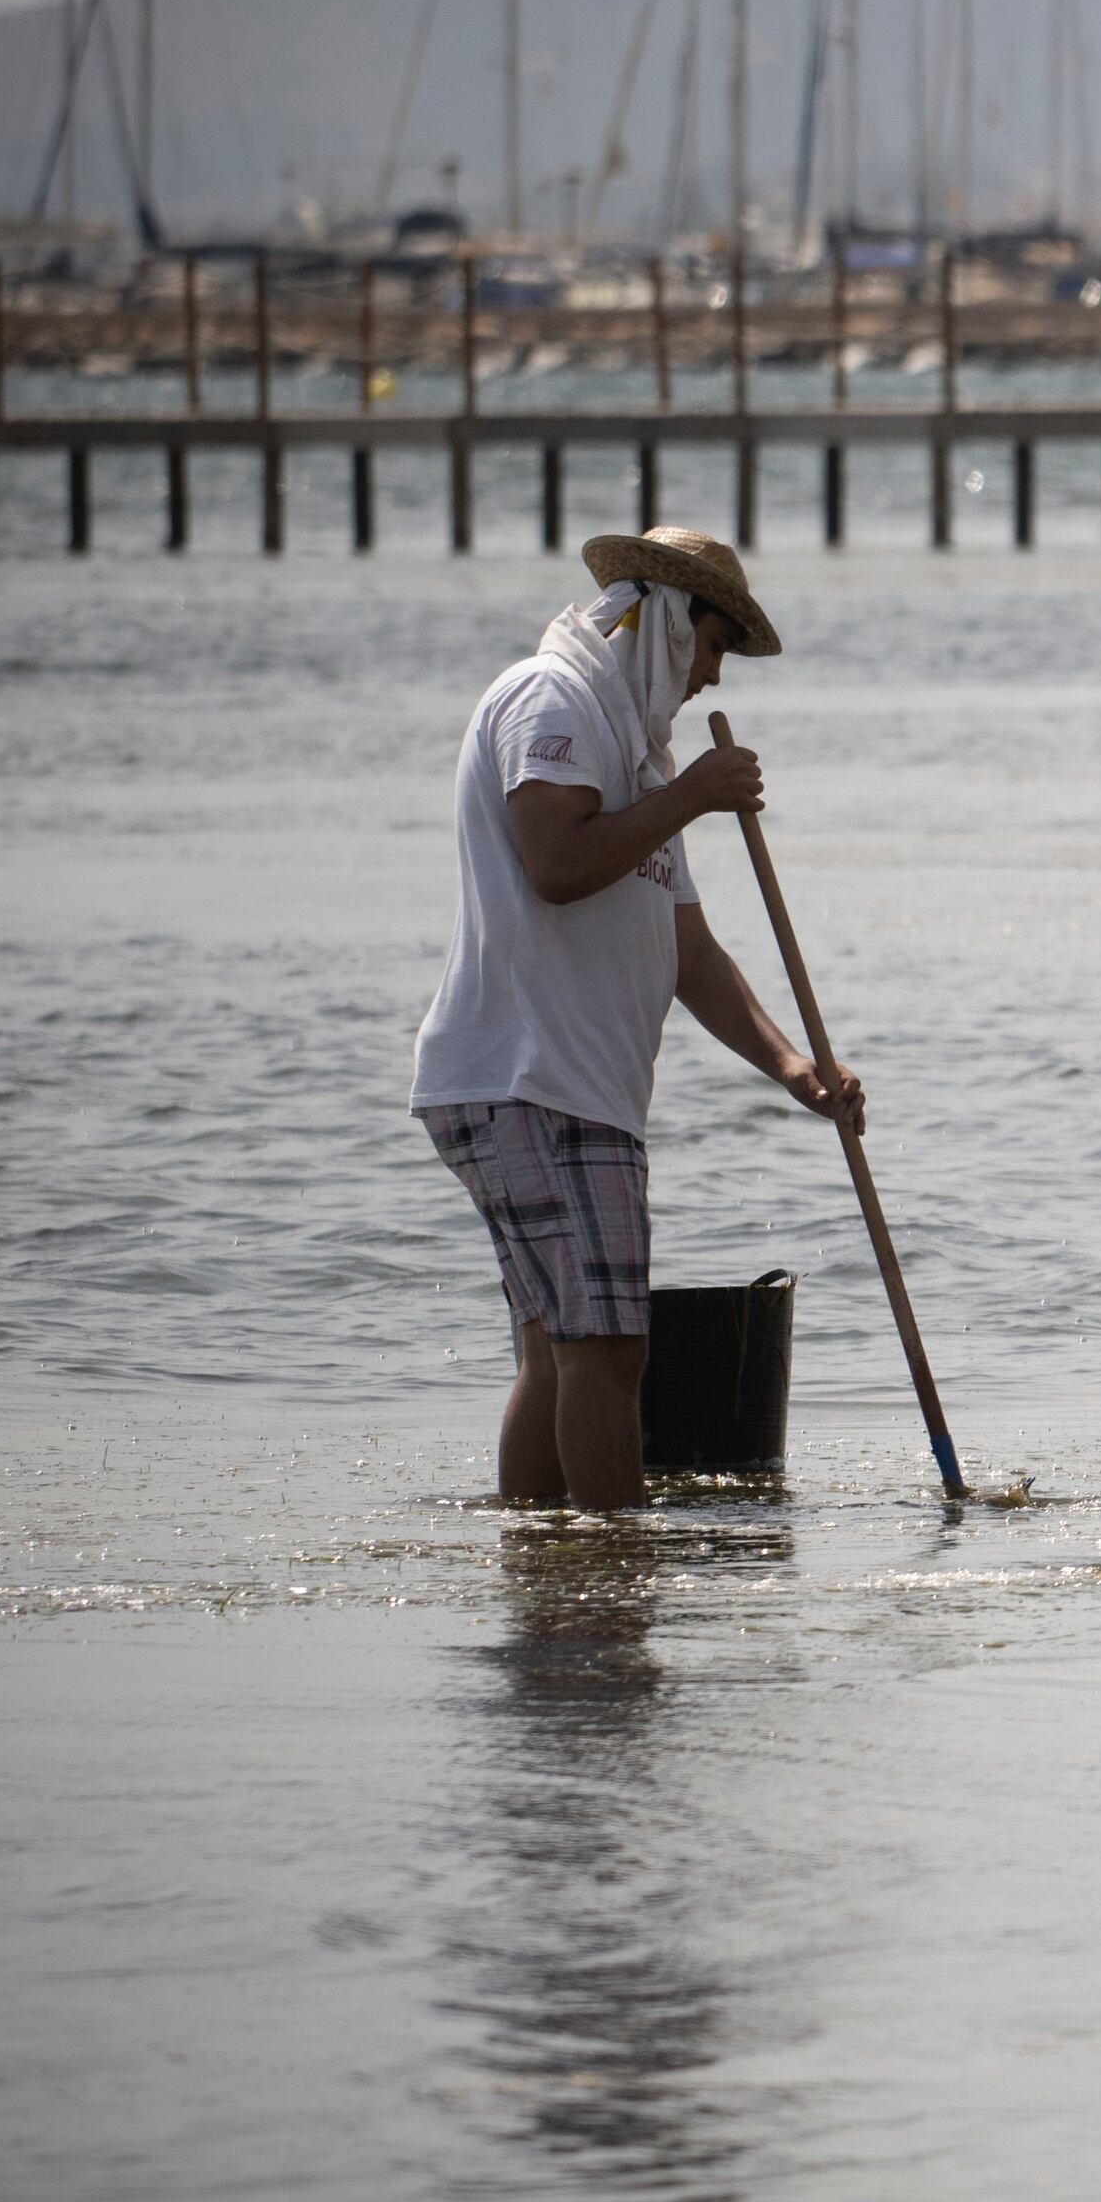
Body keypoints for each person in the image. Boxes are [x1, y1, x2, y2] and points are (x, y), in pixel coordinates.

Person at [412, 528, 862, 1513]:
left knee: (564, 1348)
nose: (708, 675)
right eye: (708, 645)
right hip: (527, 1077)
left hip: (566, 1089)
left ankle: (549, 1590)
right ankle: (615, 1601)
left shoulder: (639, 756)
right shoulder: (553, 700)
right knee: (606, 1348)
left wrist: (793, 1068)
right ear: (657, 615)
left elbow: (689, 953)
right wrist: (698, 797)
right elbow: (556, 864)